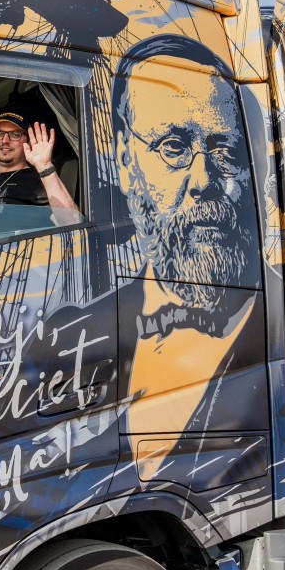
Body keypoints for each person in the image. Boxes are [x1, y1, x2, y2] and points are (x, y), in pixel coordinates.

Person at [111, 34, 263, 480]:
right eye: (173, 147)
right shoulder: (76, 330)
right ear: (125, 161)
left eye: (224, 151)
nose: (203, 180)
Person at [0, 108, 78, 212]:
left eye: (15, 134)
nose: (5, 140)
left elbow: (71, 221)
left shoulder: (40, 181)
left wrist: (44, 166)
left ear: (28, 142)